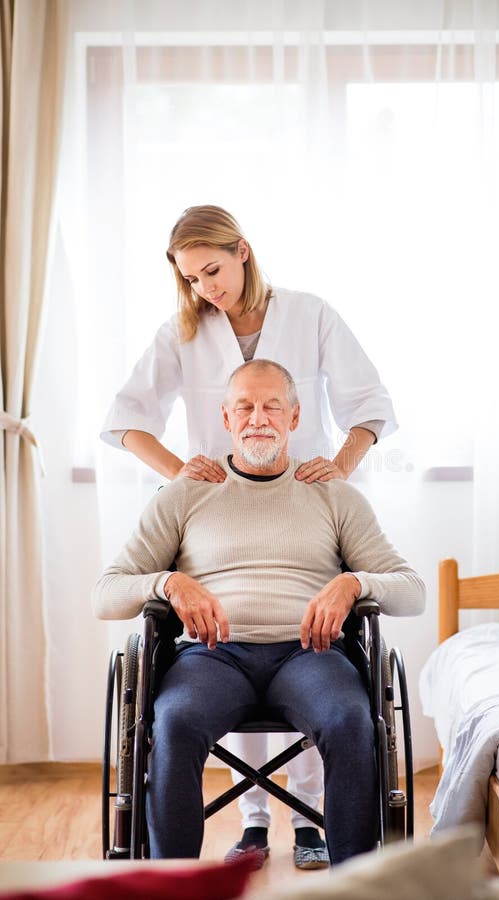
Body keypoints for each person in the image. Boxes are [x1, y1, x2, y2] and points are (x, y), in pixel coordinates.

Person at [100, 204, 398, 868]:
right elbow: (123, 418)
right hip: (214, 515)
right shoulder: (183, 331)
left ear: (242, 251)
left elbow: (371, 405)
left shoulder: (309, 312)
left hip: (305, 508)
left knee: (314, 654)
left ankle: (315, 824)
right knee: (225, 641)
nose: (207, 287)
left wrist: (335, 474)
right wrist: (185, 476)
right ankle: (255, 822)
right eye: (192, 278)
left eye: (214, 270)